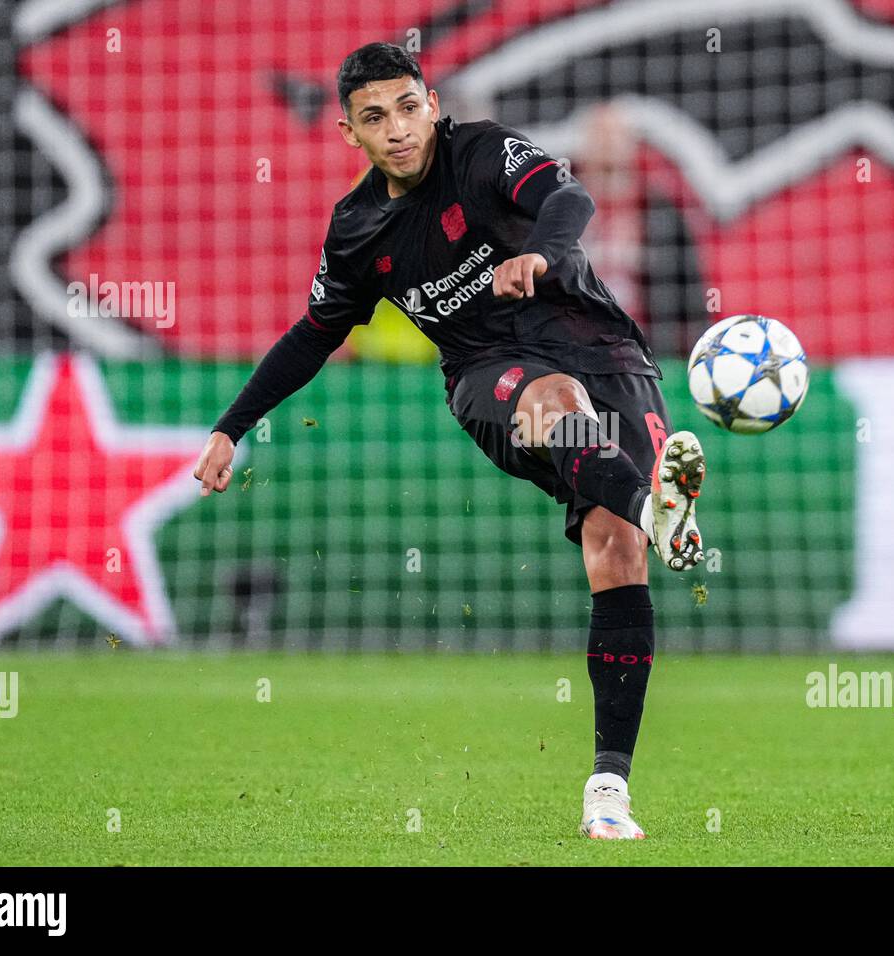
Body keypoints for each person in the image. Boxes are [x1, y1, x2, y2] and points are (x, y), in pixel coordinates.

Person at [192, 42, 707, 840]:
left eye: (406, 107)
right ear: (347, 133)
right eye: (374, 118)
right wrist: (231, 425)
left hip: (606, 352)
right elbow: (312, 335)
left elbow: (566, 196)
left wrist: (541, 250)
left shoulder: (481, 150)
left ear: (430, 102)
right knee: (553, 404)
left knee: (616, 550)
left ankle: (608, 787)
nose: (396, 129)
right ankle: (657, 505)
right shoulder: (359, 229)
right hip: (487, 374)